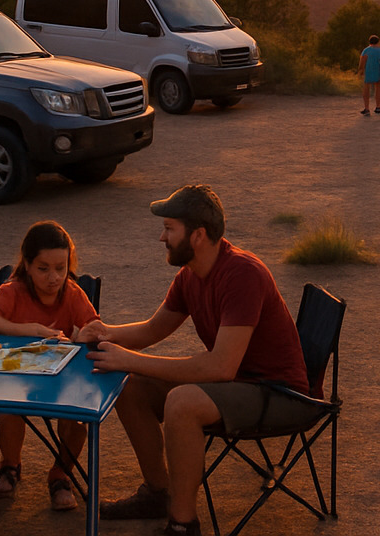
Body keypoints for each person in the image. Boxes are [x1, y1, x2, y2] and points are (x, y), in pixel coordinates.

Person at [77, 184, 315, 536]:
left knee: (182, 403)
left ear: (198, 235)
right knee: (130, 388)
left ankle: (182, 523)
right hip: (239, 386)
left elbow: (220, 368)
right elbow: (153, 329)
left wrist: (129, 360)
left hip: (279, 393)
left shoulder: (242, 274)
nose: (162, 237)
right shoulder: (191, 275)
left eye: (170, 228)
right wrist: (104, 332)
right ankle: (158, 493)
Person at [0, 221, 99, 511]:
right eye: (43, 269)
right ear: (27, 265)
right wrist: (31, 328)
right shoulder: (13, 290)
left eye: (61, 267)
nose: (53, 277)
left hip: (61, 379)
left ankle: (60, 474)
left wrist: (84, 335)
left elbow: (94, 326)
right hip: (17, 376)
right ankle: (10, 465)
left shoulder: (72, 292)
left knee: (78, 418)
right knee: (9, 407)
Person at [358, 34, 380, 115]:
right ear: (378, 41)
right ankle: (378, 107)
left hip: (368, 71)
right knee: (378, 88)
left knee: (366, 89)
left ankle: (367, 108)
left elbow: (362, 61)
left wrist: (360, 70)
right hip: (379, 72)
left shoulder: (366, 50)